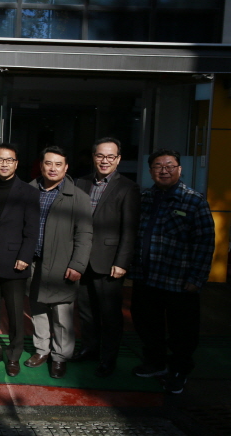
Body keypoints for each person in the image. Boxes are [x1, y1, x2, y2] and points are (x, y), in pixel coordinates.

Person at [130, 149, 215, 394]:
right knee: (147, 325)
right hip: (146, 277)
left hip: (179, 281)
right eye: (158, 166)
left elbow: (205, 242)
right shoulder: (145, 198)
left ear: (179, 169)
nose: (164, 170)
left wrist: (197, 278)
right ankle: (155, 363)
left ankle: (179, 371)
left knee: (182, 332)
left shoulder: (194, 201)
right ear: (150, 171)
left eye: (169, 165)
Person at [73, 137, 139, 377]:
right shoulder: (81, 182)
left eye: (110, 156)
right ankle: (90, 349)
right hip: (82, 259)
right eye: (100, 155)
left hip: (109, 261)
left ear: (118, 159)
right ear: (93, 157)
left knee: (110, 315)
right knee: (86, 311)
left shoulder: (128, 188)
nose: (105, 160)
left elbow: (130, 230)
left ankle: (108, 358)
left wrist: (122, 262)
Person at [25, 146, 92, 379]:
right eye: (48, 163)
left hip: (63, 264)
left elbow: (84, 234)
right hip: (33, 262)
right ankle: (42, 350)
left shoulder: (79, 197)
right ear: (41, 165)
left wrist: (77, 264)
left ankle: (60, 356)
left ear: (66, 167)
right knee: (38, 310)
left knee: (62, 315)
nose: (52, 168)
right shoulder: (29, 191)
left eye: (58, 164)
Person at [0, 143, 39, 377]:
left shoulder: (29, 192)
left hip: (15, 262)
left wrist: (25, 256)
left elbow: (32, 230)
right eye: (0, 160)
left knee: (15, 313)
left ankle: (13, 355)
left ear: (16, 163)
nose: (4, 164)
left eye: (9, 160)